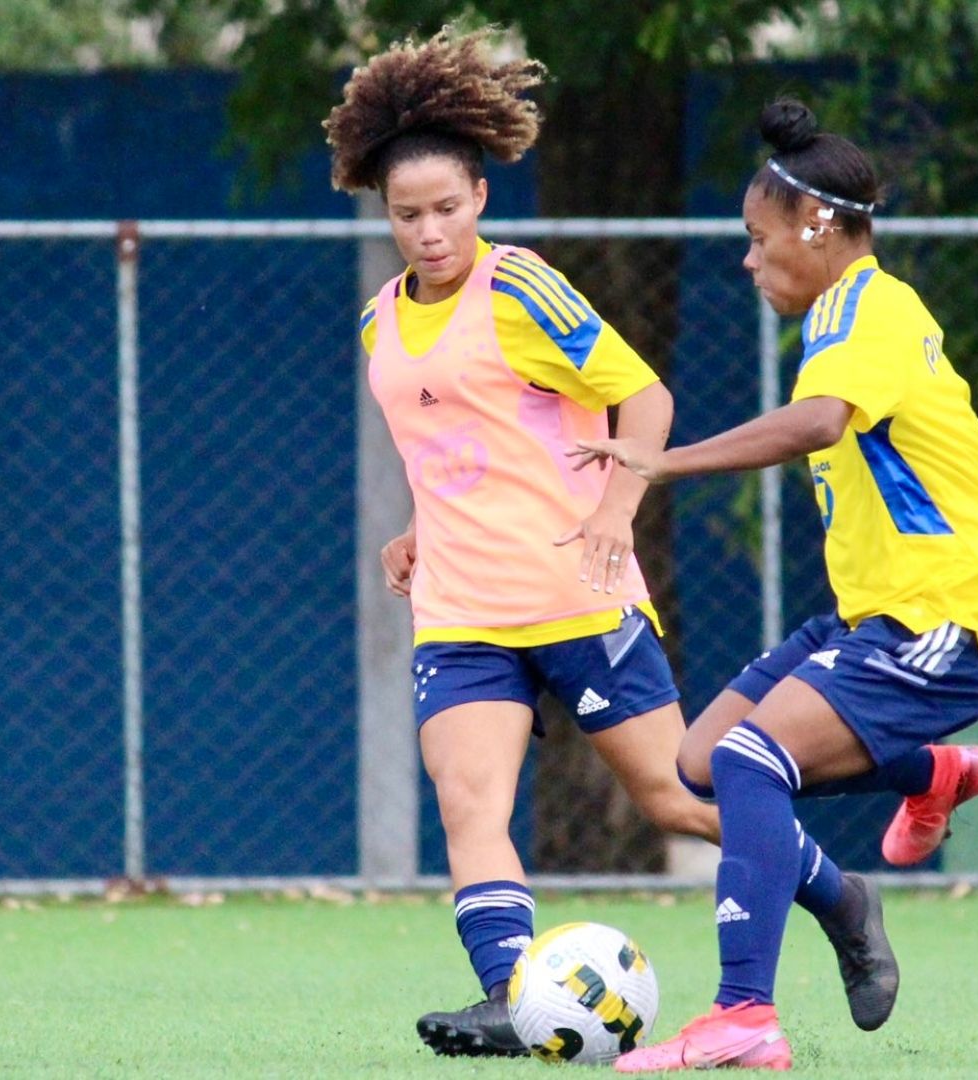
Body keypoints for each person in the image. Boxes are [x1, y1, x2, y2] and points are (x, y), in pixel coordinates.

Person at [324, 33, 898, 1059]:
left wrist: (612, 513)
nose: (429, 232)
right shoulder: (379, 324)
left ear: (481, 200)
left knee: (675, 799)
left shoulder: (520, 290)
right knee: (469, 803)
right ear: (387, 215)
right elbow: (456, 448)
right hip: (460, 608)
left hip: (576, 590)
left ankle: (840, 896)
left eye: (447, 209)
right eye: (408, 216)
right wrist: (416, 530)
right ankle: (511, 994)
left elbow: (645, 398)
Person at [571, 98, 978, 1072]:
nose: (751, 261)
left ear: (818, 227)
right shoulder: (869, 318)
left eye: (759, 240)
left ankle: (743, 1013)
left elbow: (815, 424)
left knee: (756, 761)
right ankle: (896, 828)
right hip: (883, 617)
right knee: (706, 760)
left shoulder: (868, 314)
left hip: (945, 623)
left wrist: (658, 463)